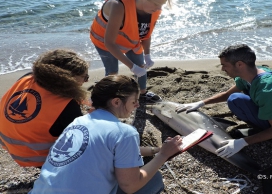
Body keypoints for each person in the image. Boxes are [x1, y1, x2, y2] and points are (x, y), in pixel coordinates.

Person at [30, 75, 183, 194]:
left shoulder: (78, 122)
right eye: (134, 101)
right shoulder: (125, 132)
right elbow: (130, 186)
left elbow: (104, 148)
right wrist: (162, 156)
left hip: (40, 190)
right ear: (116, 102)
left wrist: (156, 150)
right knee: (154, 179)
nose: (137, 105)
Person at [176, 44, 272, 158]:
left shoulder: (269, 89)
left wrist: (242, 143)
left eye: (225, 65)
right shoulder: (250, 74)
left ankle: (264, 132)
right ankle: (263, 125)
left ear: (240, 64)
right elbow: (227, 94)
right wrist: (201, 103)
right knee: (234, 99)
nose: (222, 69)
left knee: (237, 100)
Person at [0, 49, 89, 167]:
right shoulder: (68, 106)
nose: (85, 81)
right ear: (68, 78)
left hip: (10, 146)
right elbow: (81, 139)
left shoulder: (26, 78)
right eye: (85, 77)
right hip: (39, 159)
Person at [90, 0, 172, 102]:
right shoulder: (118, 5)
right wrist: (132, 67)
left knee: (141, 67)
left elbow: (146, 34)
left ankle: (143, 94)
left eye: (162, 5)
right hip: (104, 42)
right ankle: (108, 97)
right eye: (156, 4)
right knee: (112, 72)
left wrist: (147, 55)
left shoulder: (153, 9)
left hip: (130, 42)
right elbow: (109, 43)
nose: (159, 8)